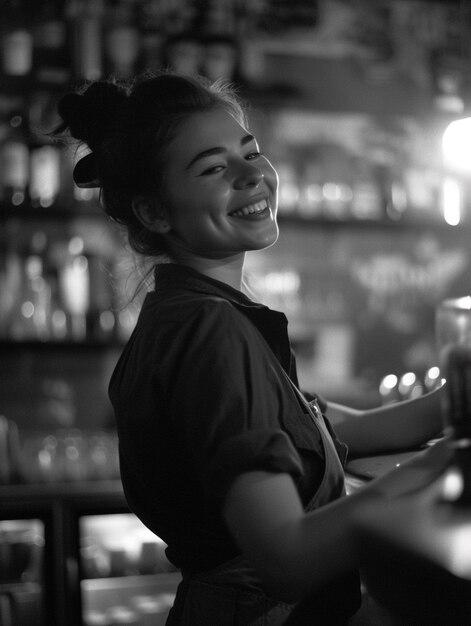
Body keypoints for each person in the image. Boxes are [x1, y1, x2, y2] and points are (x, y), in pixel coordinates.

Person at [54, 71, 450, 625]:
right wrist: (442, 471)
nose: (252, 176)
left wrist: (454, 403)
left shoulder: (188, 316)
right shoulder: (208, 332)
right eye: (214, 168)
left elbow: (335, 431)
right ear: (155, 213)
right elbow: (287, 558)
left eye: (251, 151)